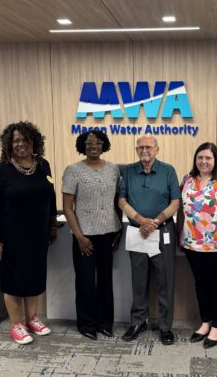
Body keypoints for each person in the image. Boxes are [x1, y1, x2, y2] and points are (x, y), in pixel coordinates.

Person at [0, 121, 57, 345]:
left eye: (25, 140)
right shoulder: (0, 170)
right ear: (8, 144)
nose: (21, 144)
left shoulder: (43, 165)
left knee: (34, 278)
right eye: (16, 141)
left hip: (37, 236)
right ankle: (16, 324)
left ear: (34, 142)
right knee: (13, 281)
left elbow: (51, 197)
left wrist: (52, 225)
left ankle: (32, 319)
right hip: (11, 237)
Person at [177, 142, 217, 349]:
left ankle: (216, 325)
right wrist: (181, 234)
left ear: (215, 160)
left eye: (208, 158)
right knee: (200, 283)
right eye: (200, 157)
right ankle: (205, 322)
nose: (203, 161)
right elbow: (182, 210)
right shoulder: (187, 179)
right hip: (192, 244)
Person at [118, 135, 180, 345]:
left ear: (157, 150)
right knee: (139, 280)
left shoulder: (168, 171)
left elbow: (175, 202)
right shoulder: (128, 171)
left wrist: (156, 221)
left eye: (148, 147)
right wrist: (141, 220)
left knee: (165, 281)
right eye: (140, 147)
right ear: (137, 150)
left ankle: (165, 327)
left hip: (162, 231)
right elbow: (122, 200)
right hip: (137, 232)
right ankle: (138, 322)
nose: (144, 150)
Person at [62, 130, 122, 340]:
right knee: (86, 282)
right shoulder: (73, 171)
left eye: (97, 143)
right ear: (82, 146)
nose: (93, 146)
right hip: (84, 236)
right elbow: (68, 208)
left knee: (106, 280)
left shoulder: (114, 169)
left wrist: (119, 230)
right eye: (88, 143)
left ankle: (106, 322)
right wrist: (79, 236)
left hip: (109, 233)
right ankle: (87, 324)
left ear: (103, 144)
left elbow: (118, 202)